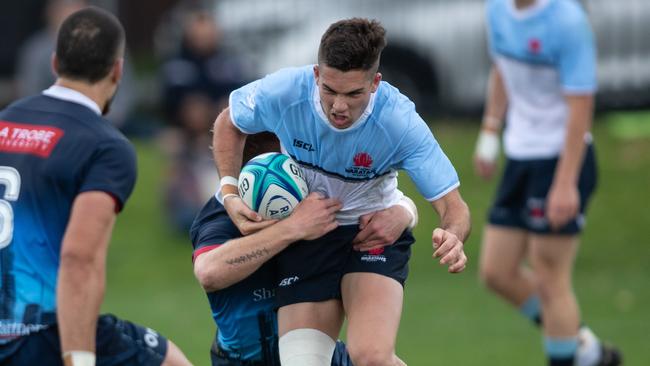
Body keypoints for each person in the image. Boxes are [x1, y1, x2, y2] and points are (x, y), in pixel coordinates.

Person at [212, 18, 470, 366]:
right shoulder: (286, 91)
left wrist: (453, 236)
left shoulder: (399, 122)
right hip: (311, 237)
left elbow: (454, 207)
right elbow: (230, 122)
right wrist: (229, 191)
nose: (338, 106)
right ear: (317, 74)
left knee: (370, 358)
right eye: (329, 90)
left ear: (375, 83)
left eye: (353, 94)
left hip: (371, 236)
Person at [0, 7, 191, 366]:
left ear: (55, 63)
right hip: (41, 331)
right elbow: (79, 257)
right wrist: (80, 359)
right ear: (117, 69)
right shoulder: (105, 145)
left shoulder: (3, 121)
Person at [475, 1, 622, 365]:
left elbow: (581, 106)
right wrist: (490, 132)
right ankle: (585, 349)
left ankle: (570, 356)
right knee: (497, 271)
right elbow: (502, 69)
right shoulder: (496, 9)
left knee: (550, 278)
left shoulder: (567, 21)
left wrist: (565, 183)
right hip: (520, 157)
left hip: (560, 159)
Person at [190, 135, 419, 365]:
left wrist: (404, 211)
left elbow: (370, 203)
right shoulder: (221, 214)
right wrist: (293, 228)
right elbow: (209, 272)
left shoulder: (308, 190)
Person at [158, 6, 250, 232]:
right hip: (184, 136)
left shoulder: (229, 65)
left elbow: (238, 101)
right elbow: (165, 107)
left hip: (221, 132)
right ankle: (181, 203)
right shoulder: (175, 66)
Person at [15, 0, 137, 130]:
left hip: (108, 121)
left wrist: (103, 120)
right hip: (52, 123)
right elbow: (30, 92)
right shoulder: (36, 50)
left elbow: (125, 94)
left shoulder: (111, 44)